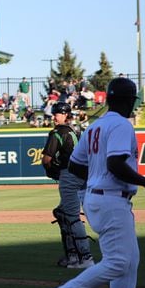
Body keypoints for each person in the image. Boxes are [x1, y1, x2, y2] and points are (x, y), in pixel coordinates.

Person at [39, 77, 145, 288]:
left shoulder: (97, 125)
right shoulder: (120, 124)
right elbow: (116, 163)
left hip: (99, 197)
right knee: (119, 262)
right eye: (132, 101)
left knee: (129, 262)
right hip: (111, 200)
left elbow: (75, 166)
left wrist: (96, 177)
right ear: (127, 101)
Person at [41, 102, 93, 269]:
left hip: (69, 174)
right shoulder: (75, 130)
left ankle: (85, 257)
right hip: (82, 174)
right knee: (62, 213)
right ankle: (72, 255)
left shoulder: (58, 132)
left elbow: (46, 159)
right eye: (54, 113)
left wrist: (52, 170)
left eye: (58, 113)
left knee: (71, 216)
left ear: (66, 115)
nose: (54, 116)